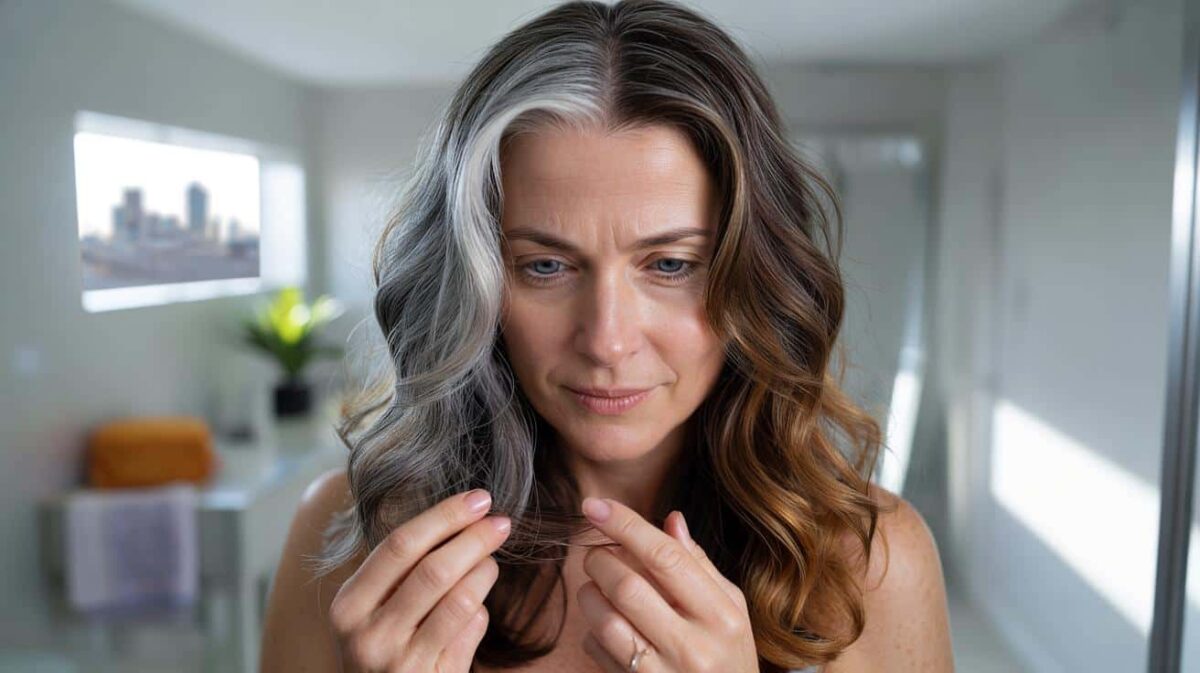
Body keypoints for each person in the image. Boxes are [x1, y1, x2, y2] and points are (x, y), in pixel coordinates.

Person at [260, 1, 955, 671]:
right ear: (475, 284)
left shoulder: (873, 562)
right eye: (546, 266)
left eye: (671, 265)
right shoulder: (351, 538)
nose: (607, 341)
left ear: (756, 274)